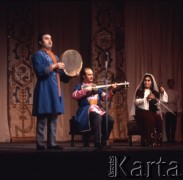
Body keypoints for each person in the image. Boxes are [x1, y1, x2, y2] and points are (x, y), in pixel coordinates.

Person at [32, 33, 72, 150]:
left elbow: (63, 77)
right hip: (45, 90)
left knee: (53, 117)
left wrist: (72, 74)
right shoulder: (38, 55)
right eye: (46, 38)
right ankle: (40, 144)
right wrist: (54, 66)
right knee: (42, 118)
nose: (50, 40)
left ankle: (52, 143)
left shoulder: (55, 56)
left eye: (50, 38)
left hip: (55, 91)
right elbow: (39, 71)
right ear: (40, 42)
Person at [72, 67, 117, 148]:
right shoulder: (79, 86)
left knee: (110, 120)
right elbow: (74, 96)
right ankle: (97, 142)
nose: (92, 76)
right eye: (89, 75)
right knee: (97, 117)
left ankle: (104, 140)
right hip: (86, 110)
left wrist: (112, 91)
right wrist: (87, 90)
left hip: (97, 109)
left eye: (92, 74)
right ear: (83, 76)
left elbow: (105, 98)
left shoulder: (96, 87)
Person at [130, 73, 168, 147]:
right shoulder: (140, 91)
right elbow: (136, 102)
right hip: (141, 111)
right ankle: (148, 141)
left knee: (158, 118)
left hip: (151, 112)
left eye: (148, 80)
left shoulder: (155, 92)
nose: (146, 82)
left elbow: (163, 101)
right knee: (149, 117)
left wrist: (162, 92)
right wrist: (146, 98)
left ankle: (157, 141)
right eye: (145, 80)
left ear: (151, 82)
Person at [163, 79, 182, 143]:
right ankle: (168, 139)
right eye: (170, 83)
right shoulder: (165, 92)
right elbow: (164, 102)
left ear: (174, 84)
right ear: (168, 84)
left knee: (174, 125)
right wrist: (164, 111)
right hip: (167, 110)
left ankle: (173, 139)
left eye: (172, 83)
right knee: (167, 125)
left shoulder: (176, 92)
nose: (171, 84)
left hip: (174, 110)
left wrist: (179, 110)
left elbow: (178, 102)